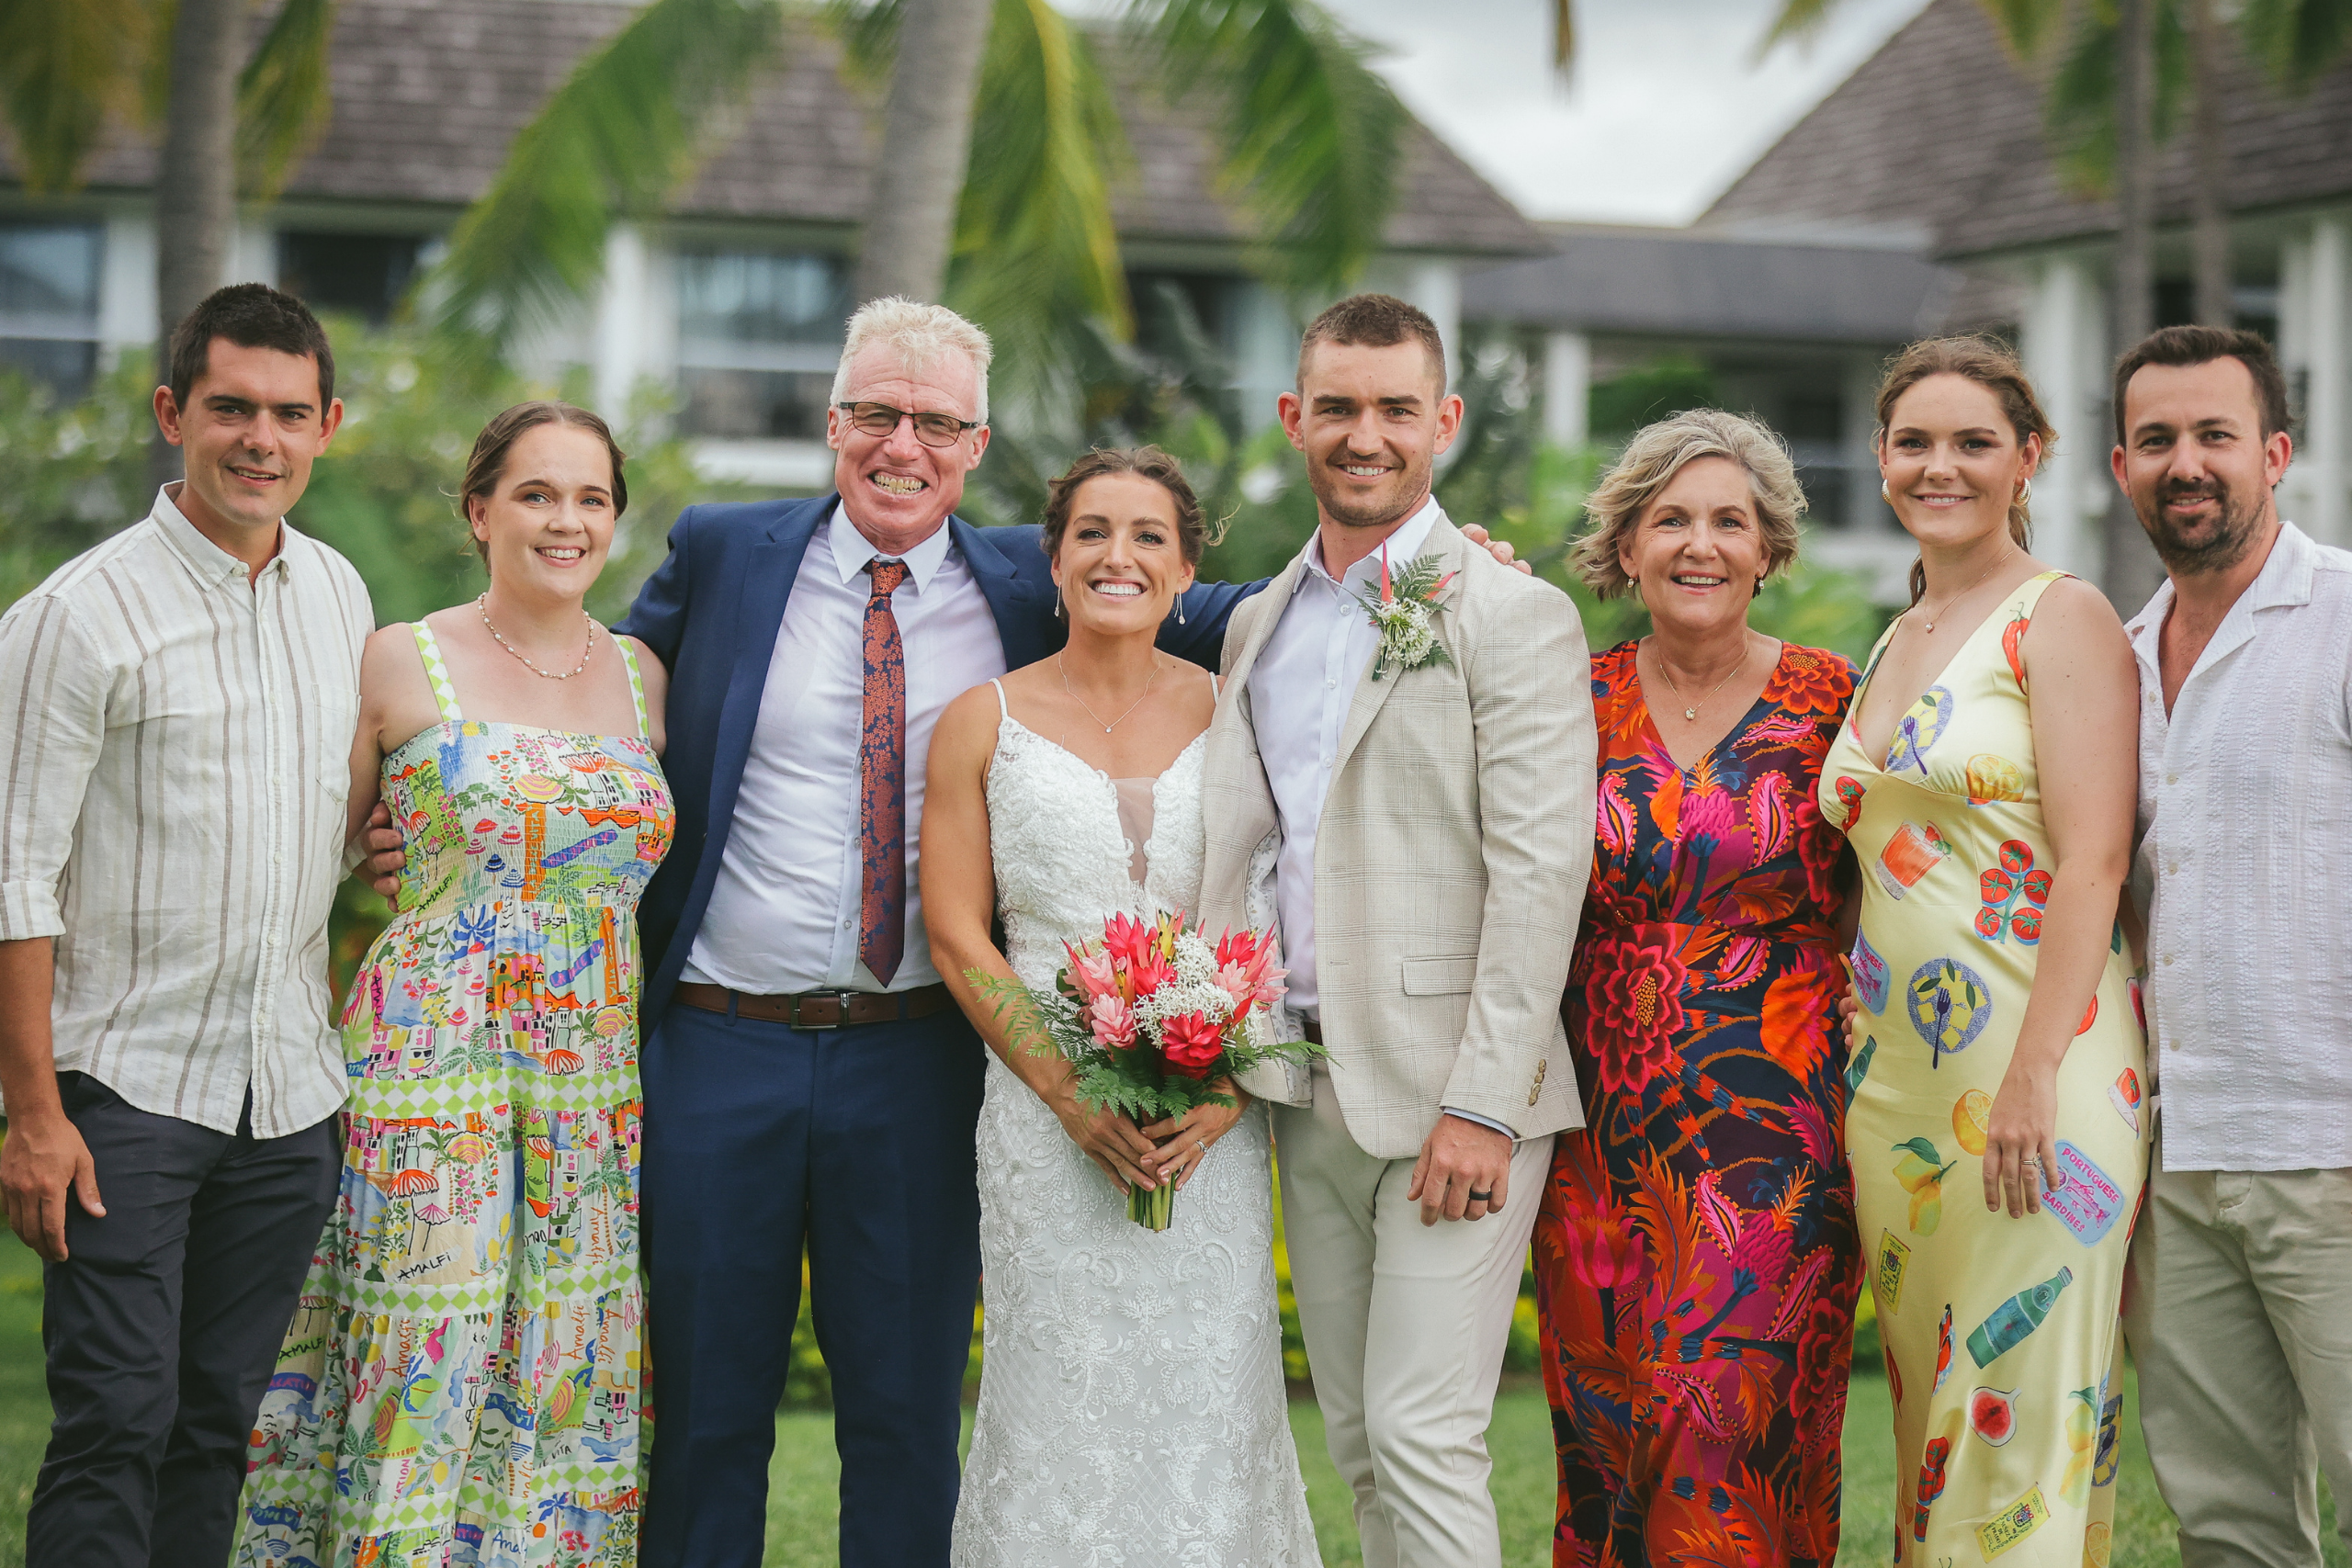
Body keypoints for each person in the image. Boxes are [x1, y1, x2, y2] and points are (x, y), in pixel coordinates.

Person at [609, 299, 1256, 1568]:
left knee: (904, 1420)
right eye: (877, 413)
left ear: (977, 444)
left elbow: (1233, 599)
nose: (902, 445)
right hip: (721, 1041)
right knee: (703, 1414)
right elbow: (596, 675)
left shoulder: (1037, 574)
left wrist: (1416, 572)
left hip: (918, 1056)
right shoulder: (724, 550)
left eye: (938, 423)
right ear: (832, 421)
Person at [233, 401, 672, 1563]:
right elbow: (310, 860)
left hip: (589, 1087)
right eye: (535, 494)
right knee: (419, 1356)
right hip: (434, 1068)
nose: (565, 521)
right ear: (480, 512)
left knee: (565, 1367)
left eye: (590, 498)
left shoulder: (643, 677)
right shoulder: (399, 656)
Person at [1197, 293, 1596, 1568]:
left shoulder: (1512, 612)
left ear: (1444, 421)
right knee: (1363, 1441)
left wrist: (1484, 1102)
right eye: (1337, 408)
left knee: (1425, 1434)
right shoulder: (1259, 622)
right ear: (1292, 417)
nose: (1363, 435)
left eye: (1394, 409)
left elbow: (1542, 871)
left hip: (1454, 1096)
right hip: (1307, 1085)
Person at [0, 284, 369, 1567]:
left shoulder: (339, 594)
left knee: (217, 1425)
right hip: (127, 1096)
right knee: (117, 1420)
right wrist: (34, 1116)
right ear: (173, 414)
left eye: (288, 413)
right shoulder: (75, 616)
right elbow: (12, 878)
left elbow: (320, 825)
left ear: (327, 427)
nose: (260, 438)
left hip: (289, 1099)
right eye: (230, 408)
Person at [923, 446, 1319, 1566]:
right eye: (1091, 532)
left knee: (1209, 1408)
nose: (1119, 556)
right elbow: (958, 934)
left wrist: (1232, 1094)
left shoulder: (1240, 713)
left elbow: (1271, 916)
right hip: (1043, 1124)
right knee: (1059, 1405)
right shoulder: (982, 720)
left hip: (1210, 1132)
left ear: (1187, 570)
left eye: (1150, 536)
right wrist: (1068, 1096)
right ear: (1052, 561)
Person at [1821, 336, 2144, 1568]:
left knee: (2018, 1420)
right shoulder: (1897, 632)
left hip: (2040, 1076)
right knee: (1934, 1430)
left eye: (1972, 442)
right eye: (1914, 442)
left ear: (2029, 458)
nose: (1938, 466)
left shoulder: (2062, 616)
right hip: (1899, 1099)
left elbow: (2095, 860)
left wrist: (2031, 1075)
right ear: (1881, 456)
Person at [1532, 409, 1862, 1568]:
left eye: (1729, 520)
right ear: (1626, 545)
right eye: (1670, 519)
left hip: (1774, 1128)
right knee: (1607, 1423)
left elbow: (1892, 888)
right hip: (1598, 1126)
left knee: (1727, 1416)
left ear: (1768, 548)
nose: (1700, 544)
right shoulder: (1564, 699)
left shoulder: (1835, 699)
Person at [2107, 325, 2352, 1567]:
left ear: (2276, 453)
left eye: (2215, 434)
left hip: (2332, 1148)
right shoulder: (2112, 658)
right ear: (2120, 467)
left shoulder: (2345, 615)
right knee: (2229, 1530)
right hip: (2182, 1159)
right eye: (2157, 439)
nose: (2186, 463)